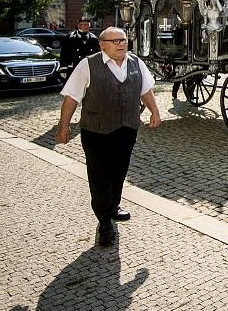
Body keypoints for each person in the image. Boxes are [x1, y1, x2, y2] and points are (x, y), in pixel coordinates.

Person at [56, 27, 161, 247]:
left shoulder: (136, 63)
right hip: (97, 132)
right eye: (115, 41)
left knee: (119, 171)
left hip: (127, 128)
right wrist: (63, 127)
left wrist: (155, 111)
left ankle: (113, 206)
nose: (121, 44)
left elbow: (145, 91)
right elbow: (71, 98)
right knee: (100, 175)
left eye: (123, 40)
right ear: (102, 44)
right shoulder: (88, 65)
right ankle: (104, 221)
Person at [59, 17, 100, 82]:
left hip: (88, 69)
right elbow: (64, 54)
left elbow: (97, 54)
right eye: (84, 24)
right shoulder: (70, 38)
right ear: (78, 25)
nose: (86, 27)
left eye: (87, 25)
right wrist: (63, 68)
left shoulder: (94, 39)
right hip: (74, 69)